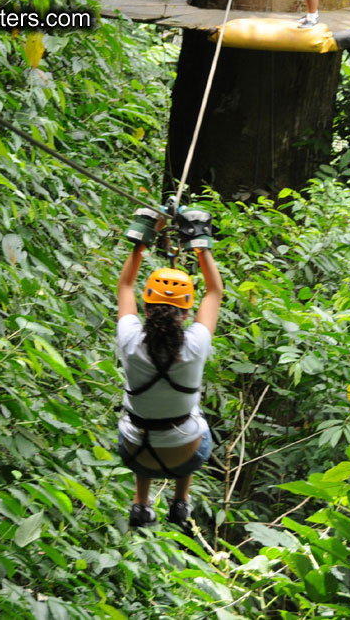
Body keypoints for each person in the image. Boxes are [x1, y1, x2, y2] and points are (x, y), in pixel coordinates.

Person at [116, 208, 223, 533]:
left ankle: (141, 503)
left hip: (136, 452)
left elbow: (125, 287)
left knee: (144, 420)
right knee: (193, 415)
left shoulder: (131, 339)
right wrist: (200, 247)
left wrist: (141, 243)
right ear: (187, 309)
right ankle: (180, 501)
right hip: (185, 454)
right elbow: (215, 292)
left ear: (147, 305)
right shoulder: (196, 343)